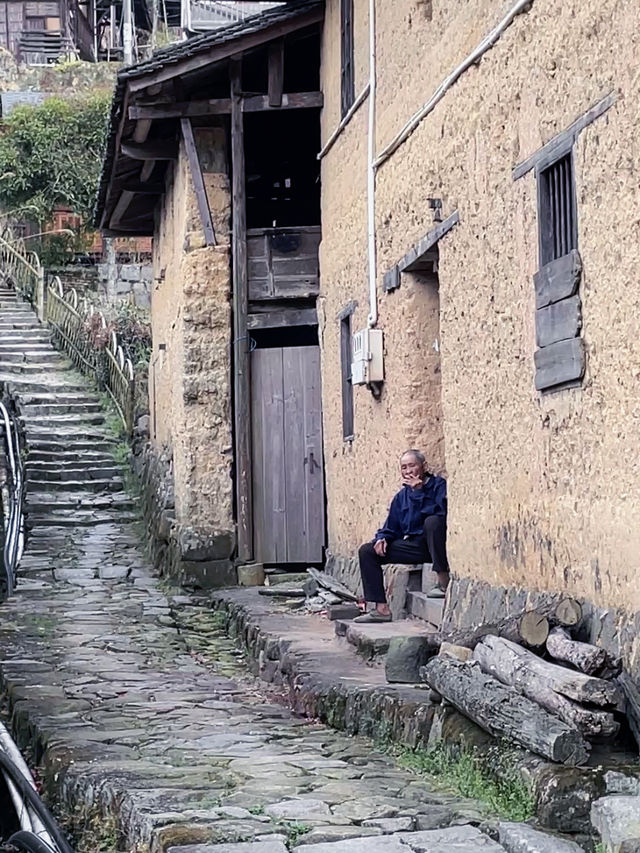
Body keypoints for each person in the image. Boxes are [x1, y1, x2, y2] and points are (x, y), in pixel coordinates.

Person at [355, 449, 449, 623]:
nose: (408, 471)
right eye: (403, 467)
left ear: (424, 466)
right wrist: (382, 539)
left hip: (437, 545)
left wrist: (420, 492)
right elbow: (391, 526)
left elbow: (440, 513)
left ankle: (443, 583)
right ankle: (381, 610)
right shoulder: (401, 497)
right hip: (415, 547)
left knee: (433, 522)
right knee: (367, 551)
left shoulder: (438, 486)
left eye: (412, 465)